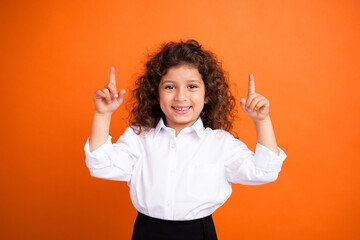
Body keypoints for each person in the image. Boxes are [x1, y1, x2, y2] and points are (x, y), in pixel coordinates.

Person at [84, 40, 287, 240]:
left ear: (207, 94)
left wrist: (262, 121)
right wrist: (102, 115)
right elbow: (101, 166)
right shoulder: (139, 137)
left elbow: (264, 172)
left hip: (198, 233)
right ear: (156, 93)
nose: (181, 97)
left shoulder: (220, 143)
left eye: (192, 86)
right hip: (147, 232)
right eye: (170, 87)